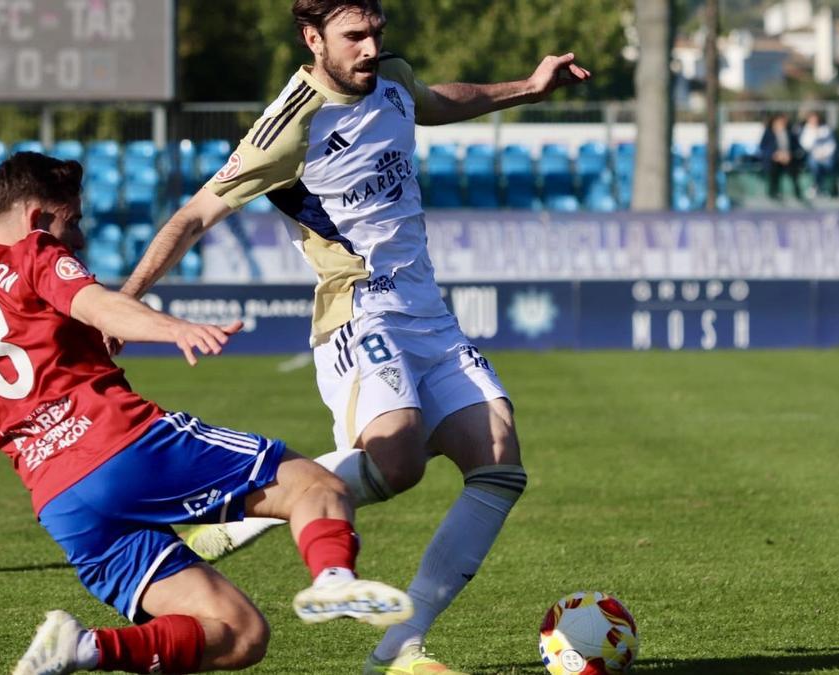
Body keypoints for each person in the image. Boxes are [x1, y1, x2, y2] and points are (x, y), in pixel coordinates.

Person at [110, 1, 590, 673]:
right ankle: (257, 508)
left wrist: (526, 88)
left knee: (501, 460)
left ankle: (398, 647)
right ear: (313, 40)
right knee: (399, 460)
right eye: (353, 37)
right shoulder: (289, 125)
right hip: (357, 310)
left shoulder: (389, 74)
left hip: (430, 313)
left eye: (376, 34)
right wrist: (122, 307)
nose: (369, 48)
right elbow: (194, 214)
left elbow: (432, 100)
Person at [0, 151, 413, 675]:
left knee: (240, 635)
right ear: (41, 217)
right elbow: (100, 305)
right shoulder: (34, 254)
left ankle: (84, 646)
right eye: (75, 222)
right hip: (124, 446)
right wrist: (176, 329)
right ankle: (336, 580)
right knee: (316, 487)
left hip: (63, 504)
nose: (81, 236)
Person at [760, 113, 804, 201]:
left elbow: (797, 147)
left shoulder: (790, 133)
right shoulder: (769, 133)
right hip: (774, 159)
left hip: (788, 159)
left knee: (794, 169)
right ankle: (774, 192)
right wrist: (775, 155)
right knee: (774, 169)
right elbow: (763, 147)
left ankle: (797, 192)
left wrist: (790, 154)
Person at [799, 112, 837, 198]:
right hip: (813, 157)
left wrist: (824, 154)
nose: (814, 121)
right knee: (815, 166)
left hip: (826, 157)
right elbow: (806, 146)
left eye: (815, 119)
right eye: (812, 119)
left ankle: (818, 187)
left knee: (828, 165)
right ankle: (819, 188)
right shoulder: (806, 130)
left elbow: (831, 144)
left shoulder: (826, 129)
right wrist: (814, 134)